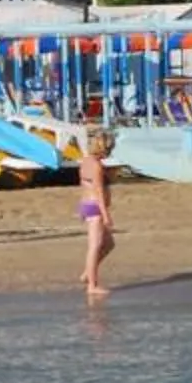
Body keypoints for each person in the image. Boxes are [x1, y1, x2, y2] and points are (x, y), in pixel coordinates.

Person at [78, 127, 116, 299]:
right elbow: (99, 191)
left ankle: (88, 272)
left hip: (87, 204)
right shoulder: (96, 166)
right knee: (95, 246)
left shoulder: (85, 161)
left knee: (108, 244)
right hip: (95, 207)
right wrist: (106, 214)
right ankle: (92, 285)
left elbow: (83, 186)